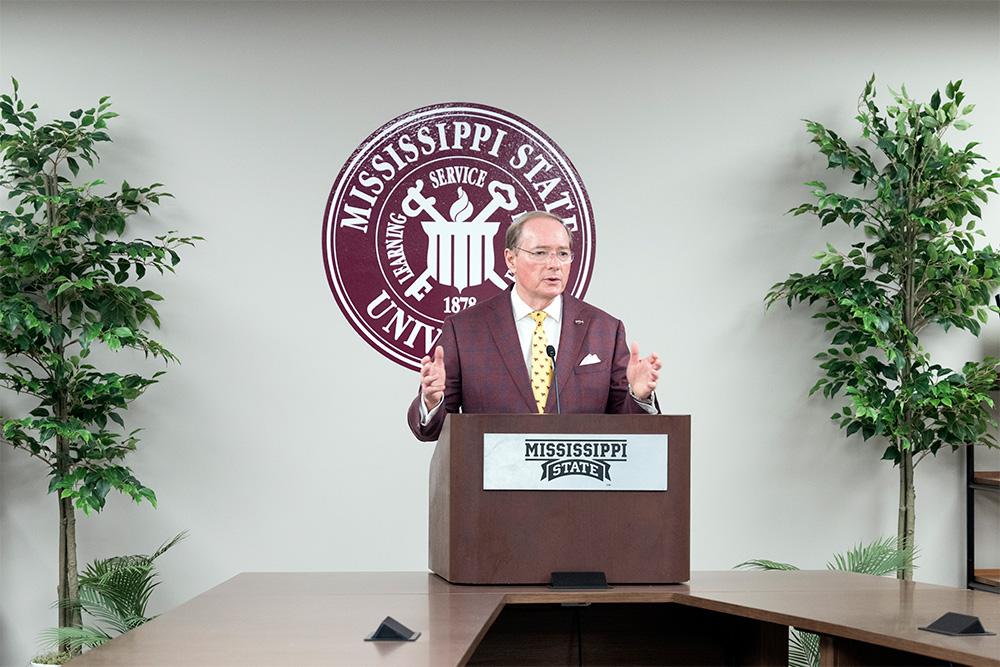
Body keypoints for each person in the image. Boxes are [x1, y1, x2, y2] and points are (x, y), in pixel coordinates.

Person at [407, 211, 661, 441]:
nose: (554, 264)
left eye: (563, 253)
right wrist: (432, 400)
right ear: (511, 259)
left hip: (578, 484)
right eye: (540, 253)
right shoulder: (465, 329)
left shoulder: (604, 329)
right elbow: (431, 431)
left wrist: (638, 396)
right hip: (491, 486)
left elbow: (630, 429)